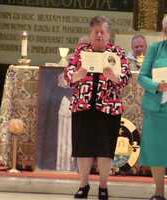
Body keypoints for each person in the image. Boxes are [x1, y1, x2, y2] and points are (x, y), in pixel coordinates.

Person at [64, 16, 131, 200]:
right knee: (83, 149)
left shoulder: (117, 53)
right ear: (90, 34)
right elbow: (68, 75)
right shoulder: (81, 51)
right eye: (96, 32)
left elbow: (125, 78)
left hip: (108, 109)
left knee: (104, 149)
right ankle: (83, 185)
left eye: (103, 32)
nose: (99, 35)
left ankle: (103, 186)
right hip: (83, 106)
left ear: (109, 34)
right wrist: (78, 74)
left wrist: (114, 77)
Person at [137, 16, 167, 200]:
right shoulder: (155, 49)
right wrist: (157, 85)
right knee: (156, 153)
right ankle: (158, 193)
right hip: (157, 109)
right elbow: (142, 77)